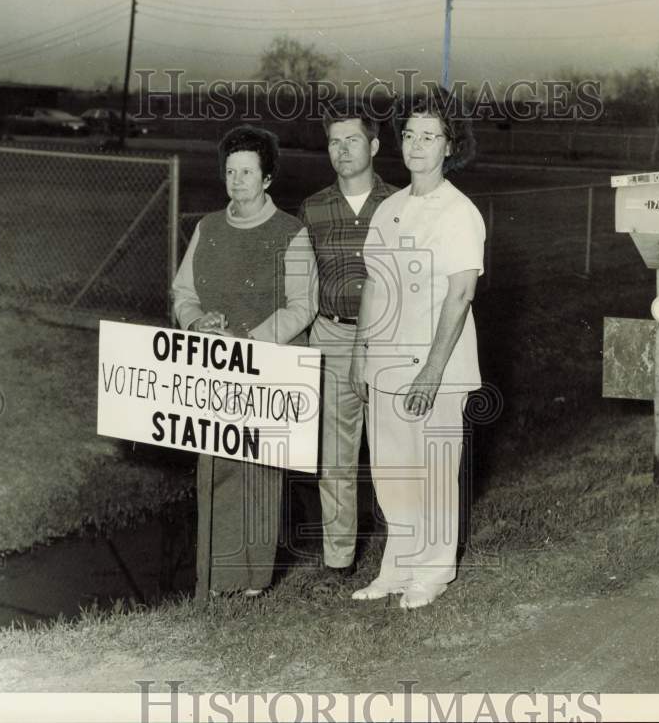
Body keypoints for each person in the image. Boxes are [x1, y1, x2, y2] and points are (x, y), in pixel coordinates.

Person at [349, 91, 484, 610]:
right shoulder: (389, 208)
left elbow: (461, 294)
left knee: (432, 472)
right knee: (392, 473)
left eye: (430, 136)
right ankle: (396, 569)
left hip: (437, 369)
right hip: (384, 363)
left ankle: (432, 573)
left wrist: (431, 370)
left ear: (450, 146)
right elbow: (374, 286)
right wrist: (362, 353)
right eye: (409, 135)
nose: (417, 146)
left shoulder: (460, 212)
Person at [171, 124, 317, 597]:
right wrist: (197, 323)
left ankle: (253, 582)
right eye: (231, 171)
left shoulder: (291, 233)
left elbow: (303, 304)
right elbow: (183, 293)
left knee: (259, 472)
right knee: (213, 466)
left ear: (268, 177)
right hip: (213, 367)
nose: (237, 181)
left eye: (248, 172)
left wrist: (250, 339)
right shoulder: (207, 228)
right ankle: (215, 579)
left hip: (268, 365)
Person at [298, 101, 398, 594]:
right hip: (333, 335)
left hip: (388, 337)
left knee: (394, 448)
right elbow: (301, 285)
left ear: (374, 145)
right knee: (335, 456)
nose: (342, 150)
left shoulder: (400, 203)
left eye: (352, 140)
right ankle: (339, 560)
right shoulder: (313, 209)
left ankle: (405, 548)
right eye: (334, 142)